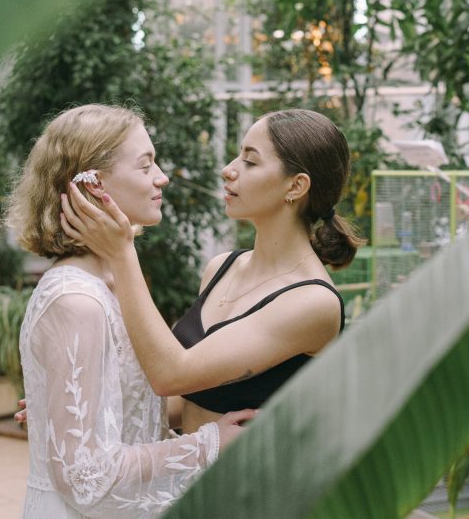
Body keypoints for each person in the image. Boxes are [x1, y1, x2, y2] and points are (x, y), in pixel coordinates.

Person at [6, 104, 255, 519]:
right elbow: (85, 477)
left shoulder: (113, 282)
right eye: (145, 166)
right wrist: (207, 444)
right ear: (95, 185)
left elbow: (128, 424)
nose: (162, 177)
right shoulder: (77, 301)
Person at [60, 108, 365, 434]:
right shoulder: (221, 267)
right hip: (186, 476)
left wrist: (122, 254)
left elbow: (171, 375)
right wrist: (78, 409)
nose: (228, 170)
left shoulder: (313, 302)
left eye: (250, 161)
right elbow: (184, 401)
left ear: (296, 186)